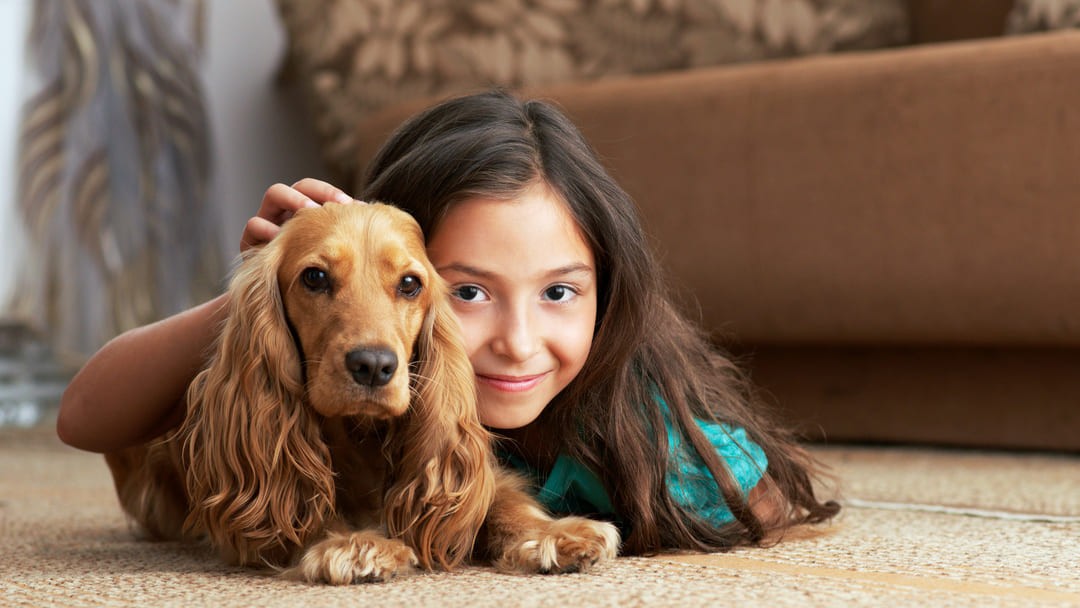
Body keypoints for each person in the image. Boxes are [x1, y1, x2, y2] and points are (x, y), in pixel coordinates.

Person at [58, 89, 838, 555]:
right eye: (466, 293)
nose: (518, 340)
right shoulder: (320, 353)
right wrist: (271, 282)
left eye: (559, 293)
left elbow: (760, 499)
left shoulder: (626, 414)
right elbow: (84, 418)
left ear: (608, 292)